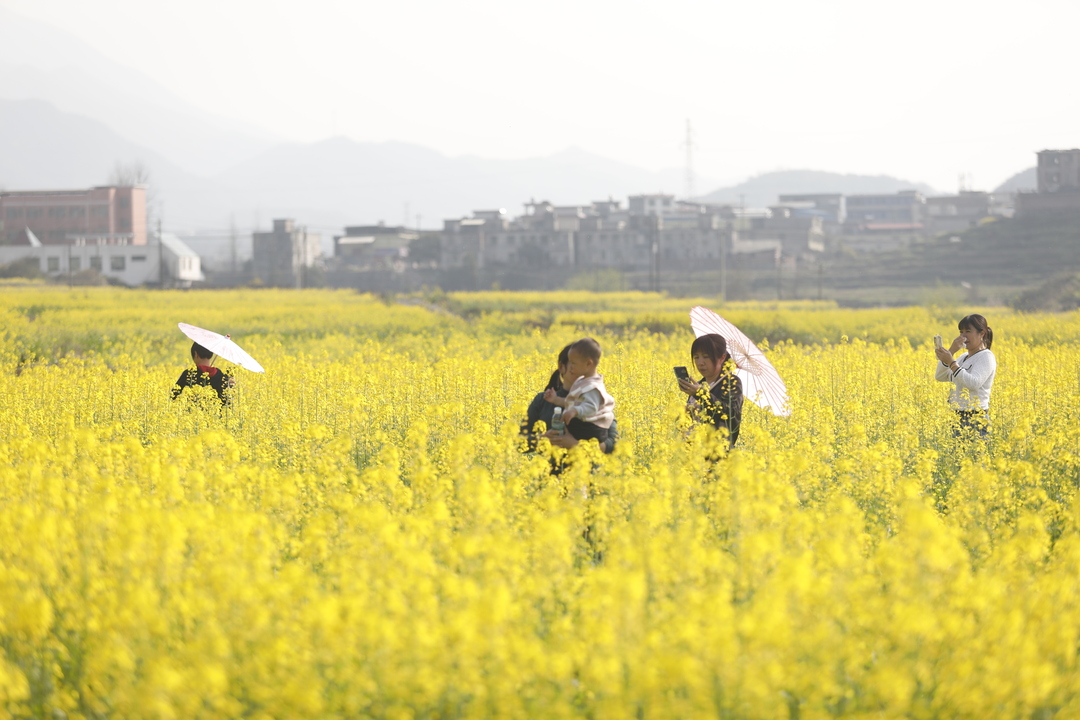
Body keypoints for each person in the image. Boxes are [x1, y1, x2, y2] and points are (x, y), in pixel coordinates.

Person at [541, 338, 616, 450]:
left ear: (588, 364)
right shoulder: (583, 381)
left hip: (591, 429)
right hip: (586, 426)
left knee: (562, 429)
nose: (570, 366)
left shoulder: (593, 387)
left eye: (573, 363)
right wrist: (555, 399)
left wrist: (575, 411)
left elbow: (591, 407)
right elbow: (571, 402)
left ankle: (569, 446)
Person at [678, 333, 743, 450]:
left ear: (722, 358)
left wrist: (700, 395)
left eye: (706, 356)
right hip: (693, 455)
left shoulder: (731, 382)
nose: (700, 362)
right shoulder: (699, 385)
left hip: (718, 455)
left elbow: (731, 412)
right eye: (696, 357)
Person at [934, 313, 996, 437]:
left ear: (982, 333)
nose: (963, 336)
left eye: (968, 331)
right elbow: (940, 376)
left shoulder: (986, 357)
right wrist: (950, 352)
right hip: (957, 417)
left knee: (975, 455)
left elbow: (973, 384)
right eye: (961, 332)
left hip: (976, 418)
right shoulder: (963, 358)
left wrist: (951, 362)